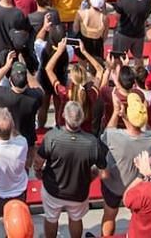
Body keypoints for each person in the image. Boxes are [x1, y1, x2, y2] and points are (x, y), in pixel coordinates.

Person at [40, 101, 106, 238]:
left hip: (53, 190)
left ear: (64, 115)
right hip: (79, 191)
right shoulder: (92, 142)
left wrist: (38, 172)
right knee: (76, 218)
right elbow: (103, 172)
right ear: (82, 118)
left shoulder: (52, 137)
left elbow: (38, 161)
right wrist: (91, 177)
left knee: (51, 218)